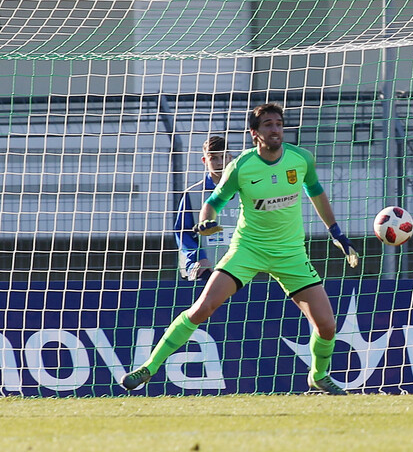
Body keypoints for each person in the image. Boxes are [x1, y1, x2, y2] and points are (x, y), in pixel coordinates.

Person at [122, 103, 360, 395]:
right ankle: (149, 367)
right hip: (248, 249)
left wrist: (336, 233)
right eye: (268, 125)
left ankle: (318, 376)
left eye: (279, 124)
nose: (275, 129)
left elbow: (316, 192)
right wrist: (207, 222)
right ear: (254, 133)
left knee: (327, 325)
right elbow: (212, 202)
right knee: (203, 307)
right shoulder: (241, 166)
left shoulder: (301, 159)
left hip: (290, 253)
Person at [174, 136, 234, 282]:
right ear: (204, 160)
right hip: (204, 268)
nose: (219, 162)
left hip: (236, 267)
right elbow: (183, 233)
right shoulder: (193, 194)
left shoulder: (243, 192)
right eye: (213, 158)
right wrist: (199, 258)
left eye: (223, 157)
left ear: (230, 158)